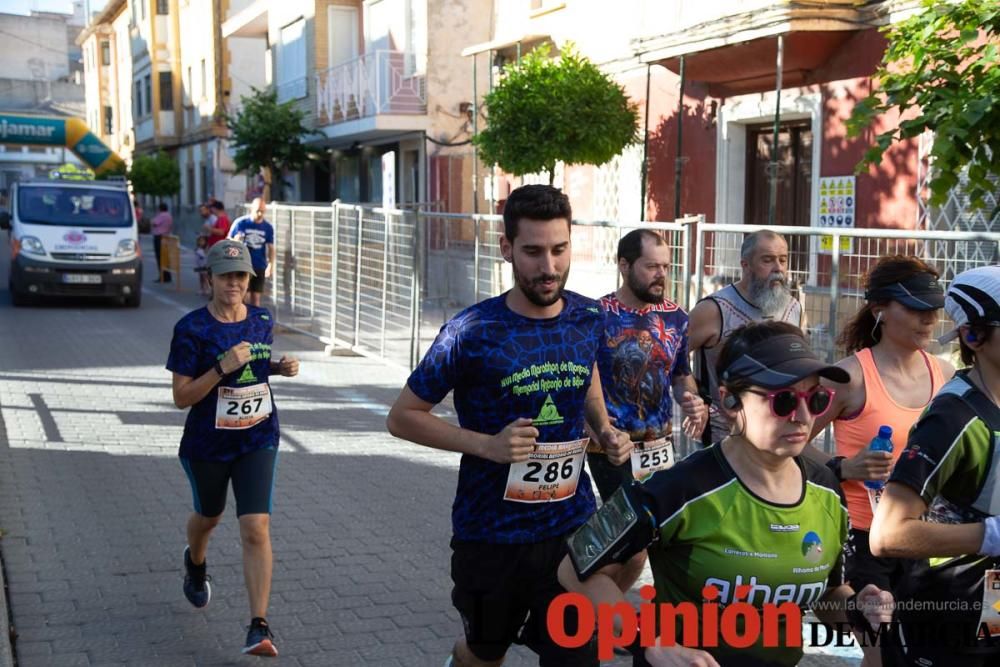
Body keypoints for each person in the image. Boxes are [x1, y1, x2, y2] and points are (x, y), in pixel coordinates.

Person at [386, 184, 632, 667]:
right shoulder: (471, 331)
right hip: (491, 534)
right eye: (533, 252)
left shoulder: (587, 316)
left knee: (577, 657)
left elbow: (587, 380)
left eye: (559, 250)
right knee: (484, 653)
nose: (549, 267)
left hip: (569, 527)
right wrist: (488, 446)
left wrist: (603, 427)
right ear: (507, 250)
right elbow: (402, 417)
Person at [559, 321, 892, 666]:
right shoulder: (679, 488)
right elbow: (575, 569)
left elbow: (826, 593)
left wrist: (858, 610)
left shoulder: (826, 490)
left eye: (817, 398)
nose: (804, 416)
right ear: (730, 401)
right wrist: (649, 641)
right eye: (784, 401)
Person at [166, 239, 299, 657]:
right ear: (210, 279)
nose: (234, 284)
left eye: (241, 276)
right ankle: (196, 561)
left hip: (257, 437)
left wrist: (278, 367)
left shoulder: (262, 319)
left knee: (255, 526)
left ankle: (259, 626)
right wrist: (221, 367)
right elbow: (182, 396)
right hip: (207, 443)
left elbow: (254, 367)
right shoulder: (191, 328)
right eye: (226, 276)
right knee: (209, 516)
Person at [871, 265, 1000, 666]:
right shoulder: (953, 417)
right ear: (973, 336)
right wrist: (990, 535)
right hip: (945, 617)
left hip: (990, 615)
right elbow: (887, 534)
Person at [805, 256, 953, 597]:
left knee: (913, 647)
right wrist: (844, 467)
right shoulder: (848, 377)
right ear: (879, 311)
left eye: (933, 308)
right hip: (863, 536)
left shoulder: (944, 375)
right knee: (879, 645)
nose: (929, 319)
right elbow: (789, 441)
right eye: (916, 308)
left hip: (925, 536)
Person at [587, 228, 708, 596]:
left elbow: (680, 374)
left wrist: (692, 399)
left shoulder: (676, 317)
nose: (661, 274)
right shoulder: (597, 315)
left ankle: (590, 601)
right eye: (651, 266)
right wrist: (597, 427)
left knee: (643, 538)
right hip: (610, 445)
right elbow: (580, 383)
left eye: (666, 266)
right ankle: (592, 605)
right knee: (634, 536)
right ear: (624, 265)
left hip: (657, 446)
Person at [688, 230, 806, 446]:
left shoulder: (794, 307)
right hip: (723, 436)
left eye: (782, 260)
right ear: (745, 265)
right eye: (767, 260)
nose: (778, 269)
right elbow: (672, 358)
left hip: (777, 433)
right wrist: (693, 397)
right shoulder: (713, 310)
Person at [228, 198, 275, 307]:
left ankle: (255, 322)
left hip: (259, 265)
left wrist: (271, 264)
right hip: (243, 265)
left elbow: (271, 247)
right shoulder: (240, 223)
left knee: (256, 298)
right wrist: (236, 240)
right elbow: (228, 241)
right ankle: (244, 320)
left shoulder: (268, 227)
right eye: (258, 210)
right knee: (245, 296)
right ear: (251, 209)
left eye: (262, 211)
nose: (260, 214)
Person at [151, 203, 174, 283]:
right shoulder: (169, 215)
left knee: (159, 257)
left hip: (159, 237)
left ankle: (162, 276)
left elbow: (154, 223)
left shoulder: (161, 215)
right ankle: (168, 276)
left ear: (160, 208)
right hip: (166, 237)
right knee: (165, 257)